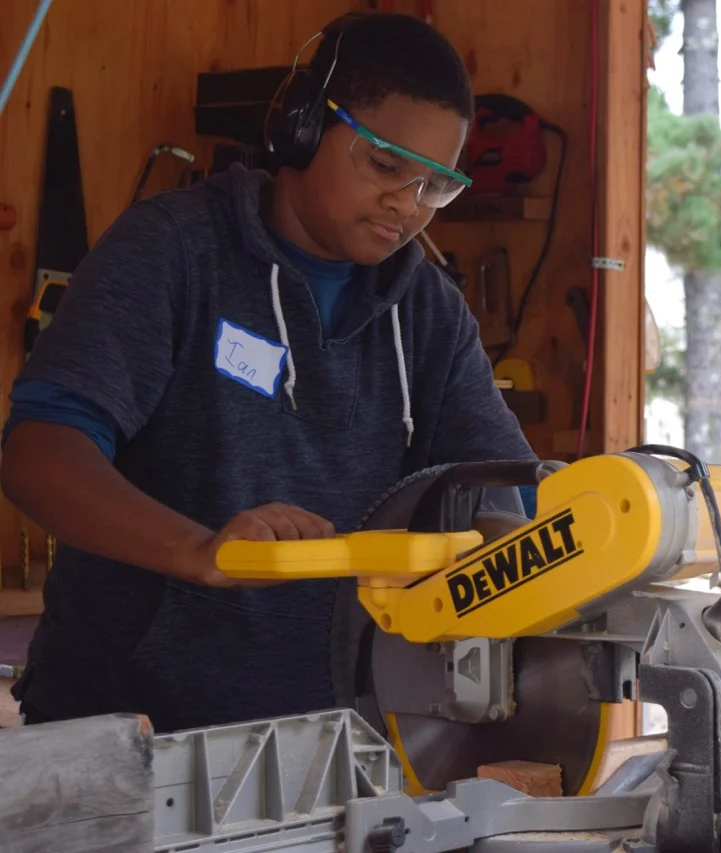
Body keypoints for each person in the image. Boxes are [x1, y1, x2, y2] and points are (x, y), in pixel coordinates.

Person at [0, 12, 534, 732]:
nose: (408, 206)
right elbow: (38, 455)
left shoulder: (428, 311)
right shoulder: (172, 252)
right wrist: (198, 551)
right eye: (386, 166)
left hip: (339, 737)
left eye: (434, 186)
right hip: (126, 729)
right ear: (304, 127)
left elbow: (513, 496)